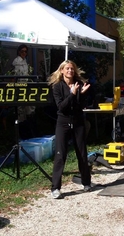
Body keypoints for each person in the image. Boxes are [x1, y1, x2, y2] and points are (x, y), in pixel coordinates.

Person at [47, 60, 92, 199]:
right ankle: (55, 188)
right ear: (61, 71)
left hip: (78, 121)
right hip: (63, 122)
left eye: (72, 69)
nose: (70, 71)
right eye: (67, 69)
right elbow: (61, 107)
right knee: (60, 155)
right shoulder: (57, 87)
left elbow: (81, 106)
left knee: (82, 152)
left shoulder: (78, 84)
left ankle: (86, 182)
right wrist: (72, 94)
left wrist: (82, 94)